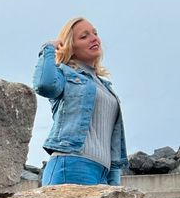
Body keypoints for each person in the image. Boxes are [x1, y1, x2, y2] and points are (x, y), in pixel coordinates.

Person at [33, 17, 128, 186]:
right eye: (84, 36)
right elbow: (43, 85)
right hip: (71, 165)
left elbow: (111, 139)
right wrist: (48, 48)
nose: (94, 38)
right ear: (71, 46)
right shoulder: (64, 74)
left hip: (103, 173)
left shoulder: (105, 87)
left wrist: (114, 178)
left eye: (95, 33)